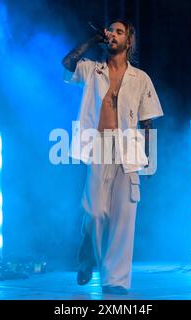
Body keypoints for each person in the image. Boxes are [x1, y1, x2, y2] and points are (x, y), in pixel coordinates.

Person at [62, 19, 163, 295]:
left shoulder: (141, 78)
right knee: (94, 211)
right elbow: (67, 63)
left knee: (123, 217)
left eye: (120, 32)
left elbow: (148, 123)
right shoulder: (92, 70)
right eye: (111, 31)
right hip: (99, 145)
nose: (113, 35)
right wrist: (92, 41)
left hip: (128, 149)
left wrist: (149, 160)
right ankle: (87, 250)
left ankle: (115, 280)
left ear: (129, 41)